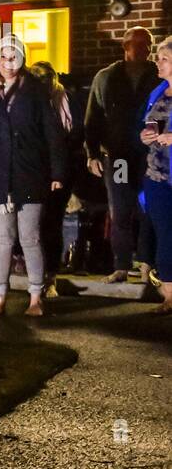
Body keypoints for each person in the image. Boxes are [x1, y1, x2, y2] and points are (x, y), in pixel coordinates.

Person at [0, 36, 67, 316]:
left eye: (14, 58)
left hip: (30, 172)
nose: (7, 64)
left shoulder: (35, 93)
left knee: (30, 237)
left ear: (22, 60)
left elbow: (52, 133)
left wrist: (57, 171)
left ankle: (35, 296)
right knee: (2, 238)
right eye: (3, 58)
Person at [85, 26, 159, 284]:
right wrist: (92, 152)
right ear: (125, 46)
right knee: (120, 208)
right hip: (118, 154)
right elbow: (93, 117)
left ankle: (147, 263)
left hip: (151, 154)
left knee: (149, 209)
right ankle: (121, 264)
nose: (143, 49)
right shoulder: (106, 77)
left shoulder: (159, 76)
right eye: (137, 44)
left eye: (147, 44)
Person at [31, 61, 82, 297]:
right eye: (38, 80)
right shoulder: (27, 101)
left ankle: (50, 276)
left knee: (52, 223)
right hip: (34, 170)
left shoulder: (67, 99)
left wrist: (61, 171)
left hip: (61, 171)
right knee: (32, 224)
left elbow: (76, 133)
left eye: (47, 79)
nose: (44, 84)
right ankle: (34, 273)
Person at [138, 36, 172, 313]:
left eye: (163, 59)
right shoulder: (158, 92)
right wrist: (145, 135)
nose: (156, 63)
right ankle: (169, 295)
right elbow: (148, 125)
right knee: (164, 231)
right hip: (157, 175)